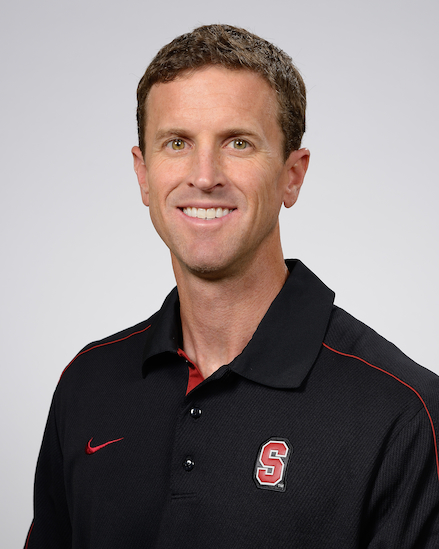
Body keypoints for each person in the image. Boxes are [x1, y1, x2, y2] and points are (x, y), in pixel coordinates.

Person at [25, 24, 439, 548]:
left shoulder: (403, 411)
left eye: (238, 143)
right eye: (177, 143)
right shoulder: (87, 383)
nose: (204, 176)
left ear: (292, 175)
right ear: (144, 174)